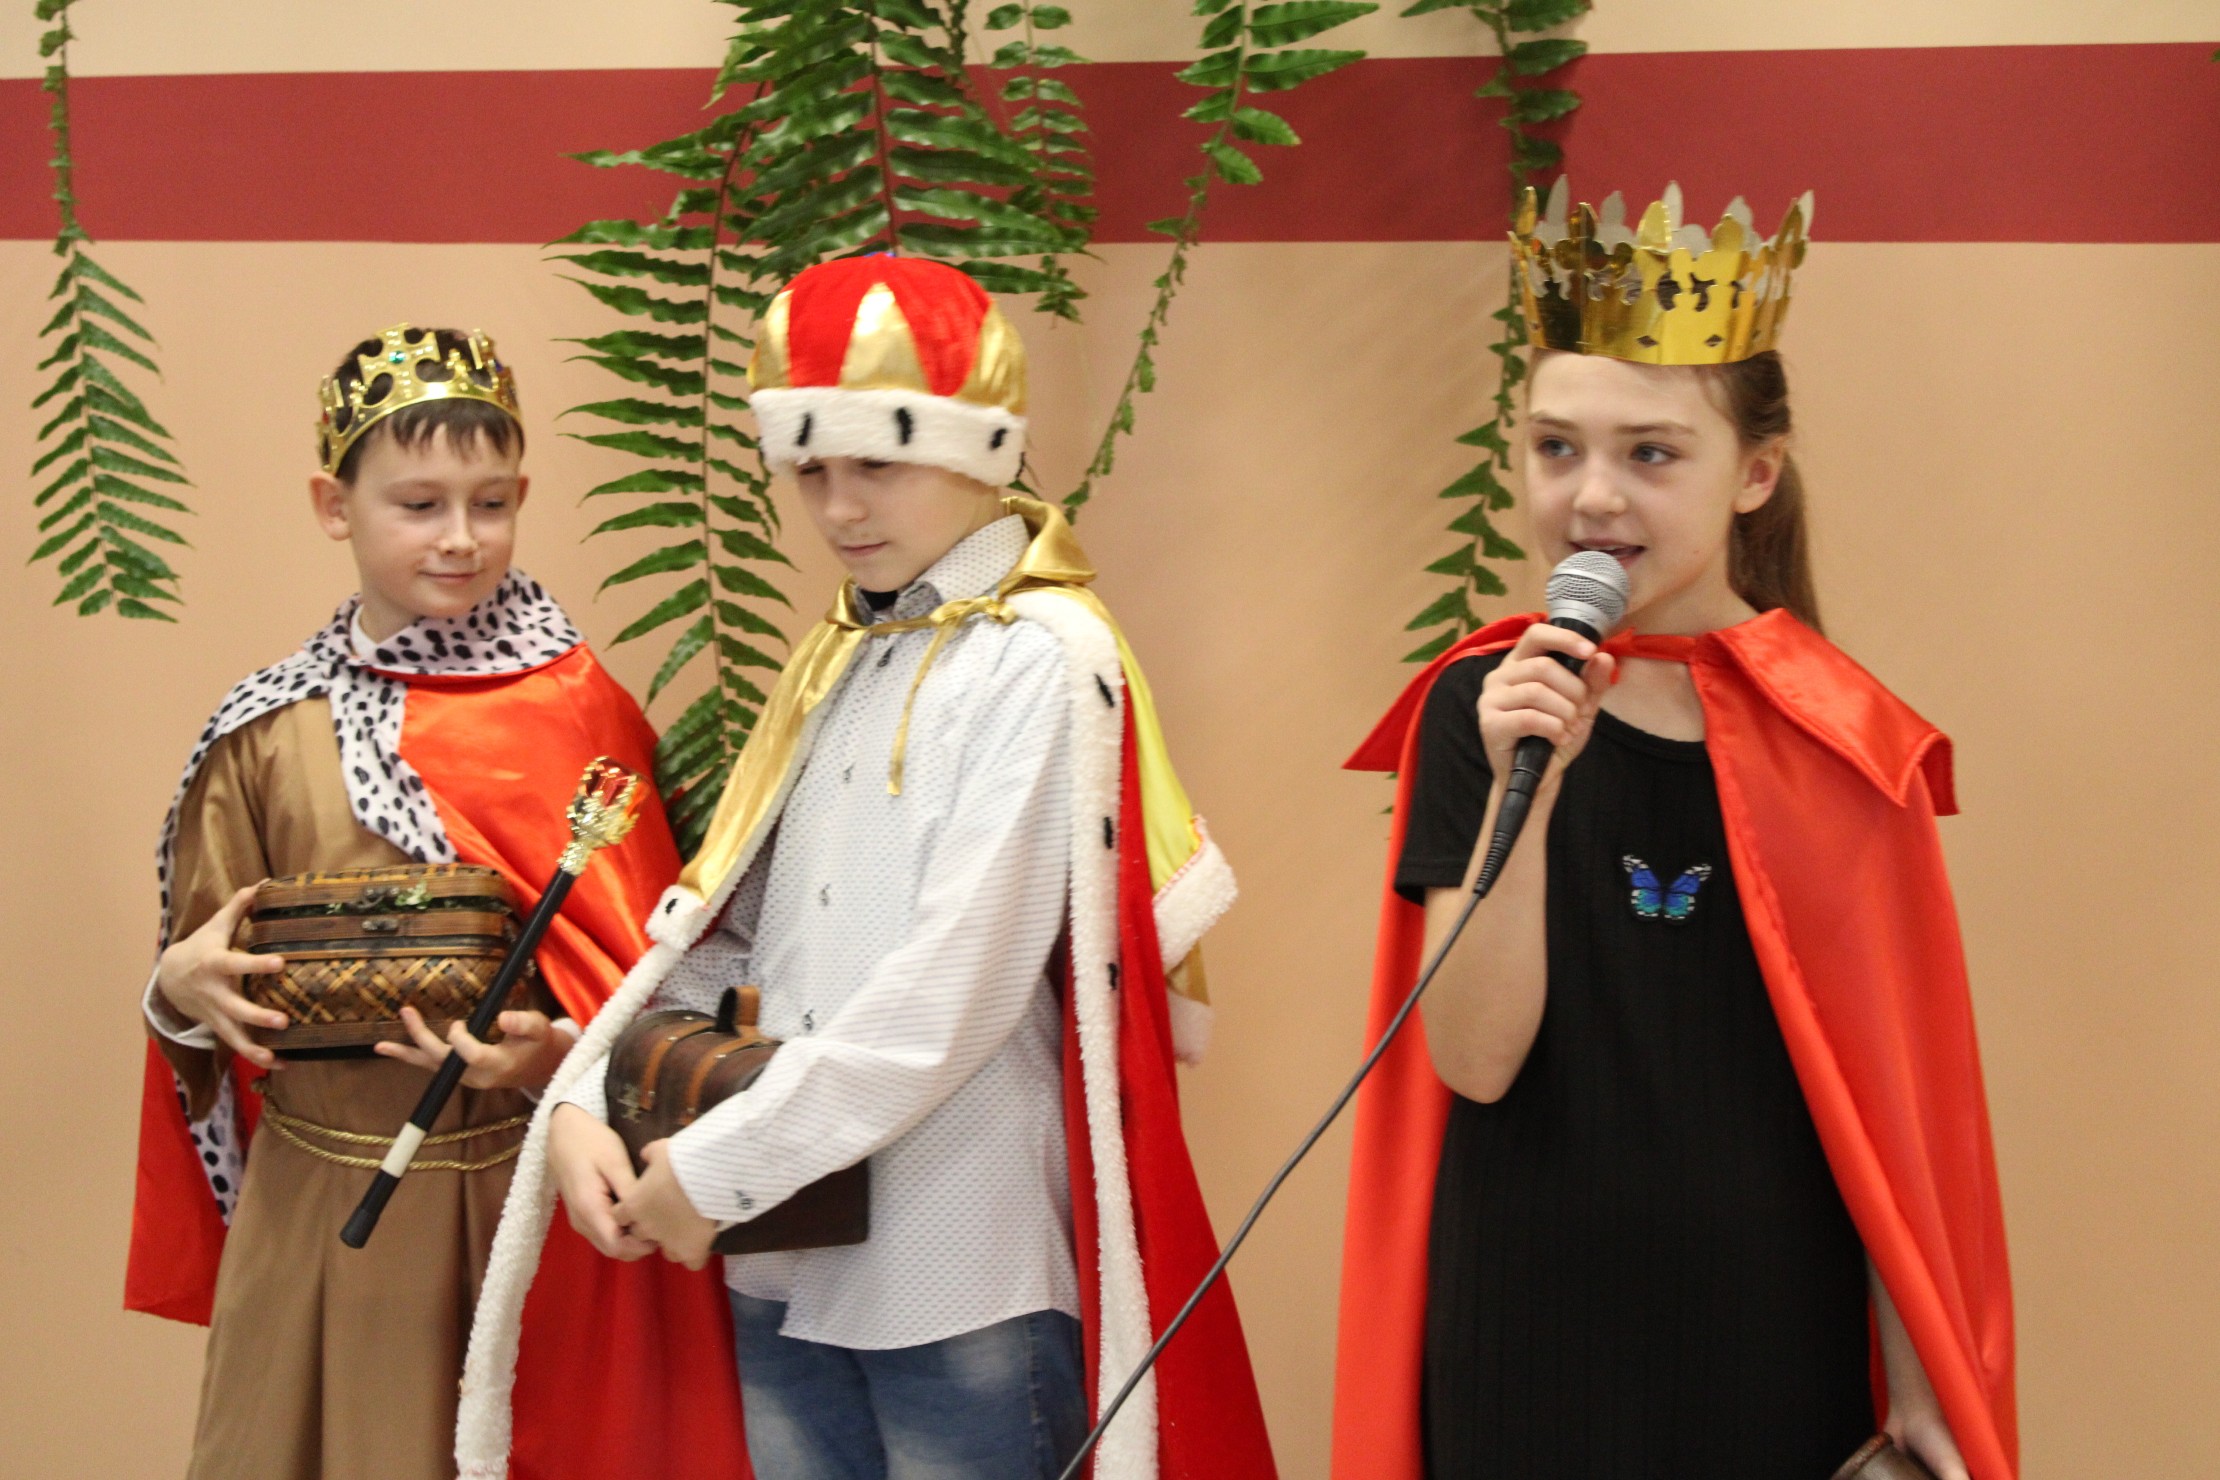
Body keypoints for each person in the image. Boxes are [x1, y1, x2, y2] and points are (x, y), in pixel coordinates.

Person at [455, 255, 1278, 1480]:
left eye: (878, 464)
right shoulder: (838, 655)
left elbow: (953, 992)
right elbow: (730, 935)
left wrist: (722, 1165)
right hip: (787, 1249)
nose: (839, 508)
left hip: (959, 1260)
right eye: (810, 469)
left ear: (979, 450)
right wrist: (586, 1095)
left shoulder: (1042, 660)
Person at [1330, 185, 2017, 1480]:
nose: (1593, 496)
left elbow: (1895, 1113)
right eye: (1554, 448)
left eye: (1651, 454)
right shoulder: (1483, 705)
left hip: (1767, 1345)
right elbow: (1472, 1060)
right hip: (1524, 1340)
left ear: (1755, 473)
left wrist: (1926, 1375)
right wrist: (1527, 788)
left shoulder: (1839, 736)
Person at [126, 324, 749, 1480]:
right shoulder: (267, 732)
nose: (461, 537)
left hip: (530, 1206)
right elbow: (203, 1001)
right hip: (322, 1215)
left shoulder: (582, 715)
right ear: (335, 504)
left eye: (490, 502)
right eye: (419, 504)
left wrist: (551, 1053)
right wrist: (175, 992)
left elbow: (647, 984)